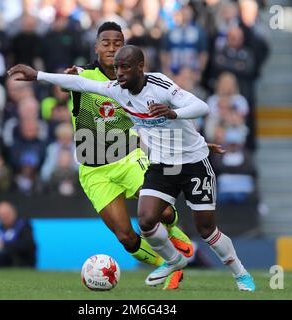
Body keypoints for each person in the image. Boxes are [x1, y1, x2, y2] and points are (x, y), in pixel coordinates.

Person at [7, 44, 255, 292]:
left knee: (206, 229)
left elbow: (202, 107)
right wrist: (37, 75)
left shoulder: (160, 85)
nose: (119, 73)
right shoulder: (117, 90)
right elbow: (81, 84)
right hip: (161, 164)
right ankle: (174, 260)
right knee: (146, 221)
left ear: (140, 67)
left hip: (193, 163)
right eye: (116, 68)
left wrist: (172, 113)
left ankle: (240, 274)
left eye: (124, 67)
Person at [46, 22, 195, 277]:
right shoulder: (82, 76)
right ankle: (167, 266)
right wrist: (68, 78)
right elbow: (63, 84)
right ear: (96, 47)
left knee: (164, 210)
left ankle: (174, 231)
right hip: (94, 171)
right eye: (106, 43)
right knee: (126, 237)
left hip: (128, 156)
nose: (112, 48)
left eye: (118, 43)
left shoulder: (137, 80)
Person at [0, 201, 37, 268]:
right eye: (0, 215)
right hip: (2, 260)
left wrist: (4, 245)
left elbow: (28, 245)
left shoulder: (24, 226)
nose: (2, 217)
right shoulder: (1, 228)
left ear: (13, 213)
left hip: (21, 261)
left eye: (5, 214)